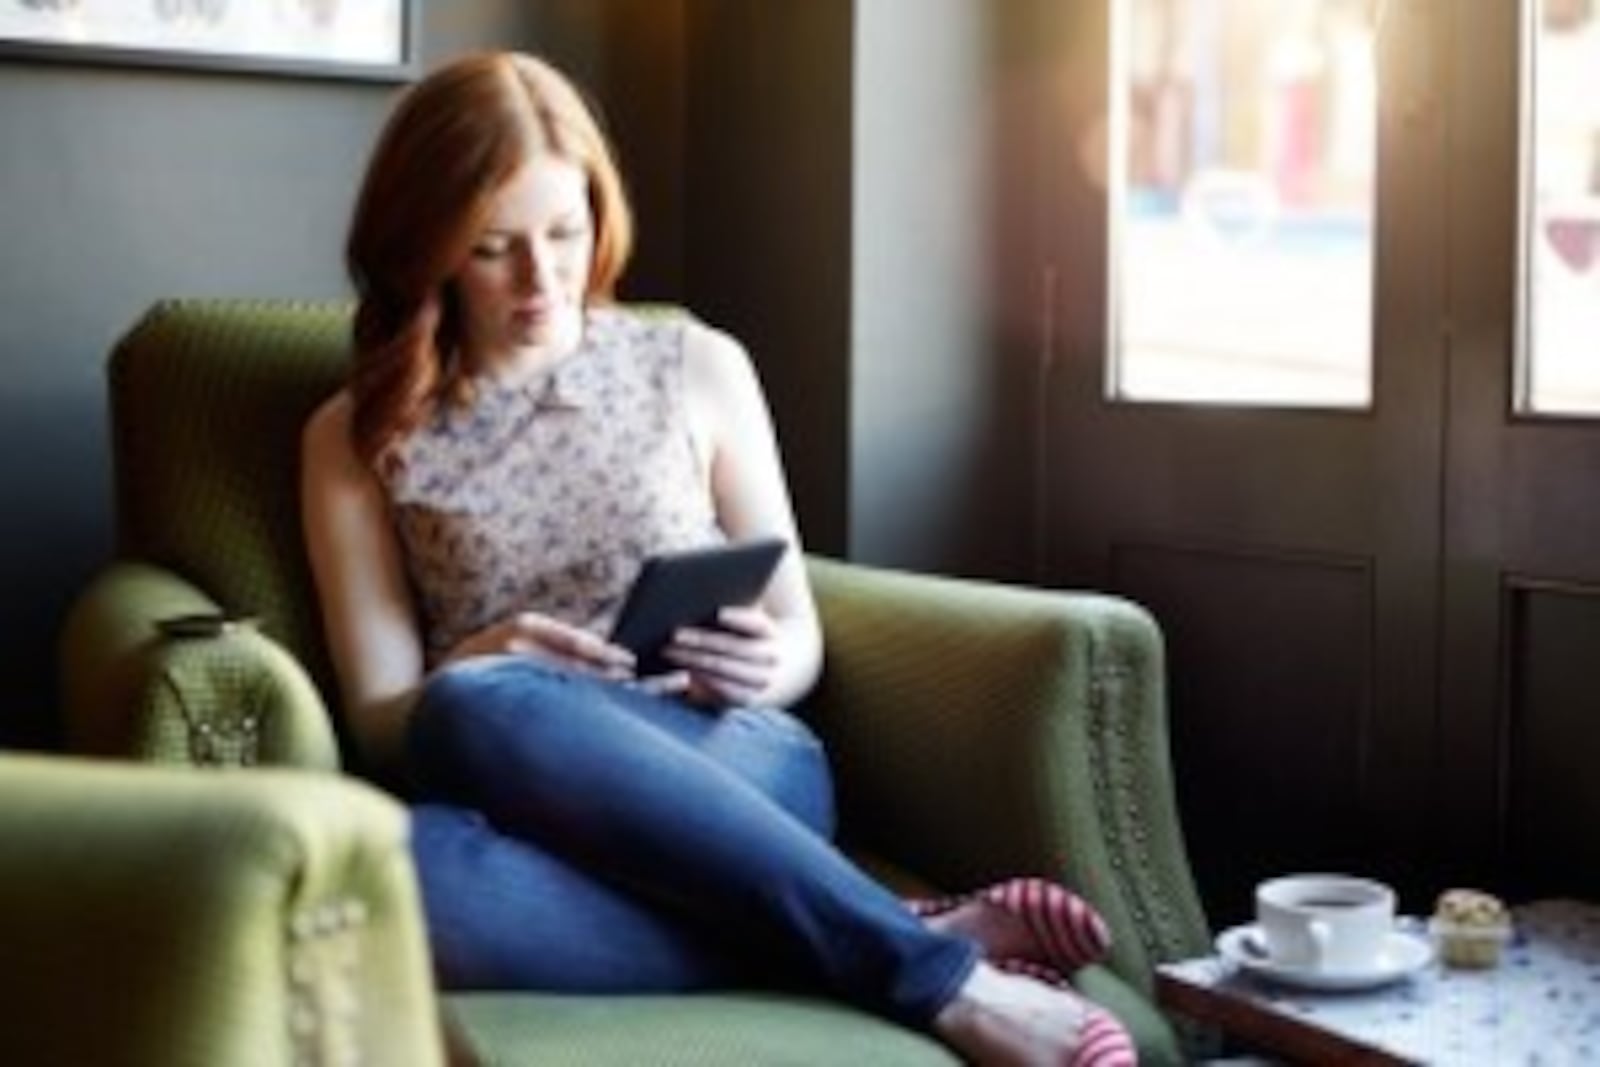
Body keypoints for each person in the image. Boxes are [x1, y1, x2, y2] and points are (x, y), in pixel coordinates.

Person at [301, 50, 1137, 1067]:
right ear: (423, 248)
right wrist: (482, 652)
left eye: (565, 233)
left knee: (473, 728)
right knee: (408, 833)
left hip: (734, 761)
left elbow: (798, 634)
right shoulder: (356, 433)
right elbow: (384, 714)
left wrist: (763, 661)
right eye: (492, 248)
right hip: (511, 787)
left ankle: (940, 982)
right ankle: (892, 926)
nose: (542, 278)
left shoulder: (695, 361)